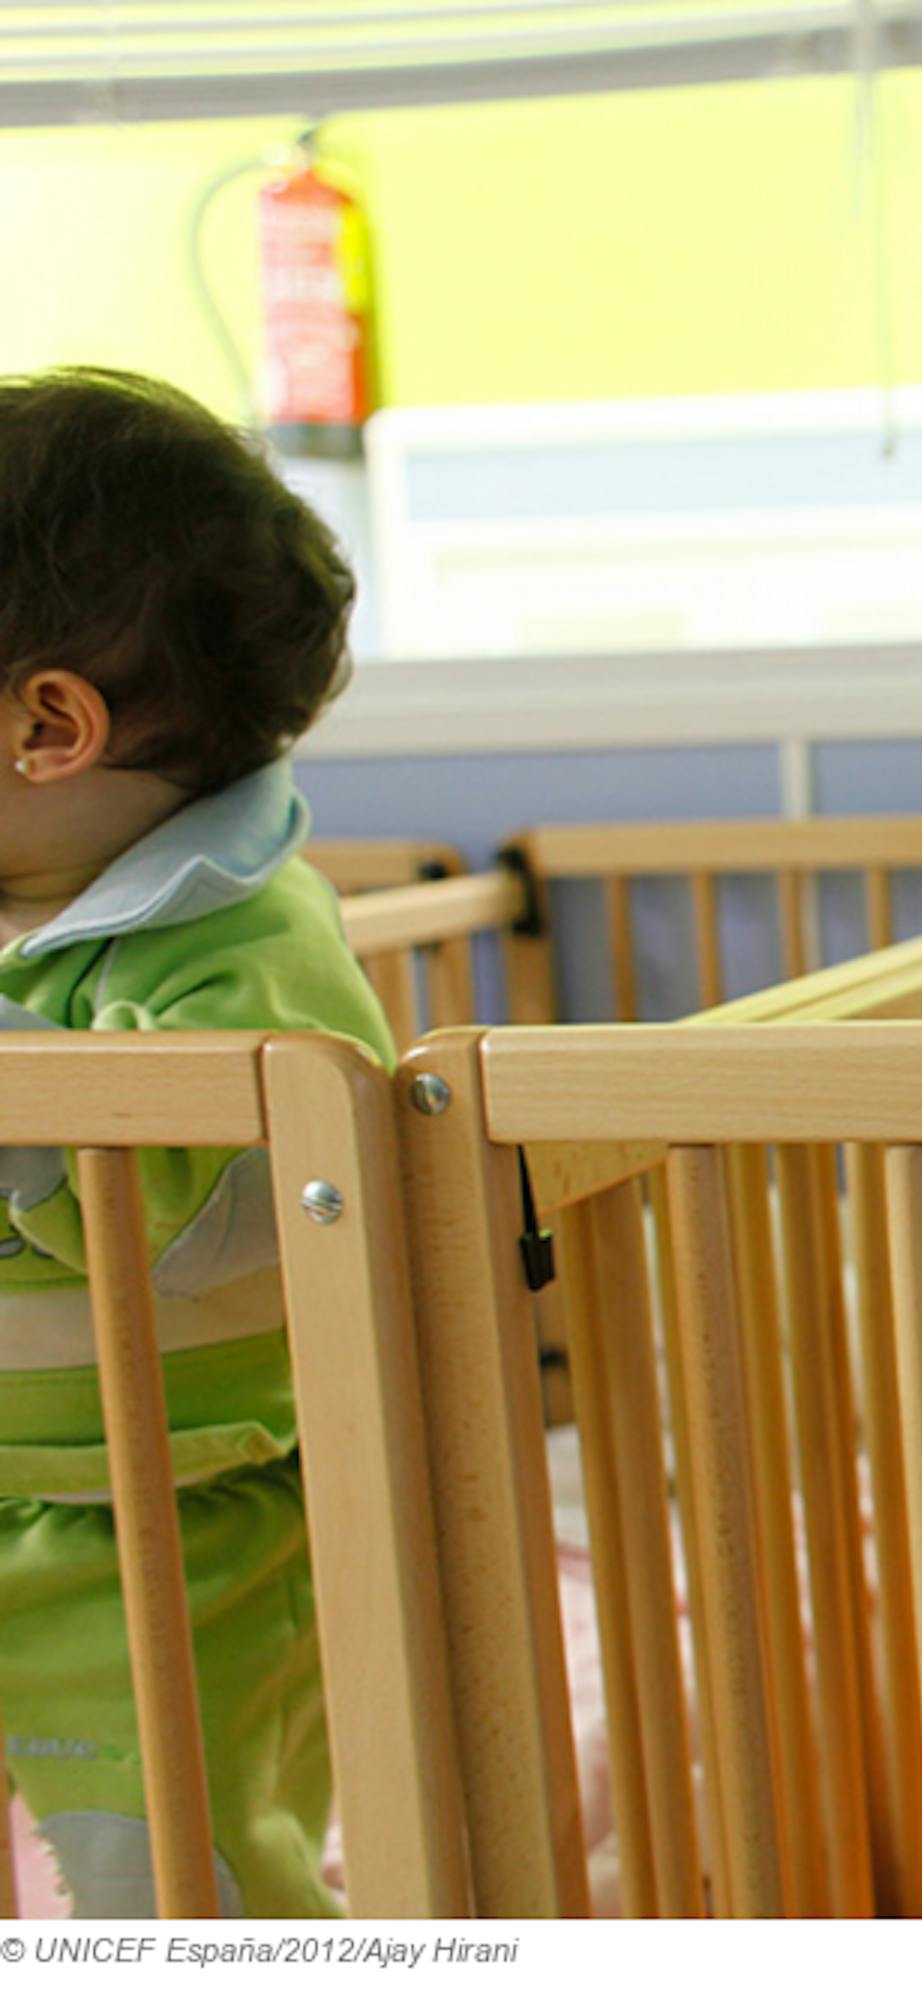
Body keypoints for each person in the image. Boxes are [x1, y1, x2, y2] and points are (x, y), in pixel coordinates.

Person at [0, 368, 394, 1916]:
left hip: (178, 1518)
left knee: (174, 1872)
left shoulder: (242, 948)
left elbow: (228, 1212)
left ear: (48, 724)